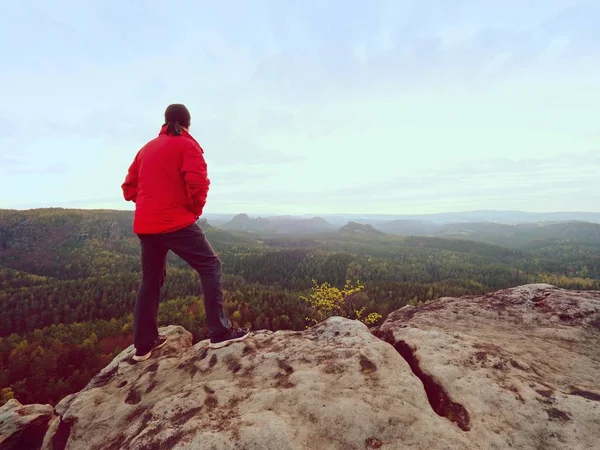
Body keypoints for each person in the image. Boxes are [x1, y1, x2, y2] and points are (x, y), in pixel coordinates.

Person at [122, 104, 249, 362]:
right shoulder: (188, 146)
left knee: (150, 279)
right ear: (187, 124)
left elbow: (128, 188)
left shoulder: (146, 149)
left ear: (165, 122)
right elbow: (198, 182)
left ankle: (144, 345)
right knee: (210, 265)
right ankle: (220, 331)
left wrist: (147, 204)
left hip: (146, 225)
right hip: (175, 221)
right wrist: (193, 210)